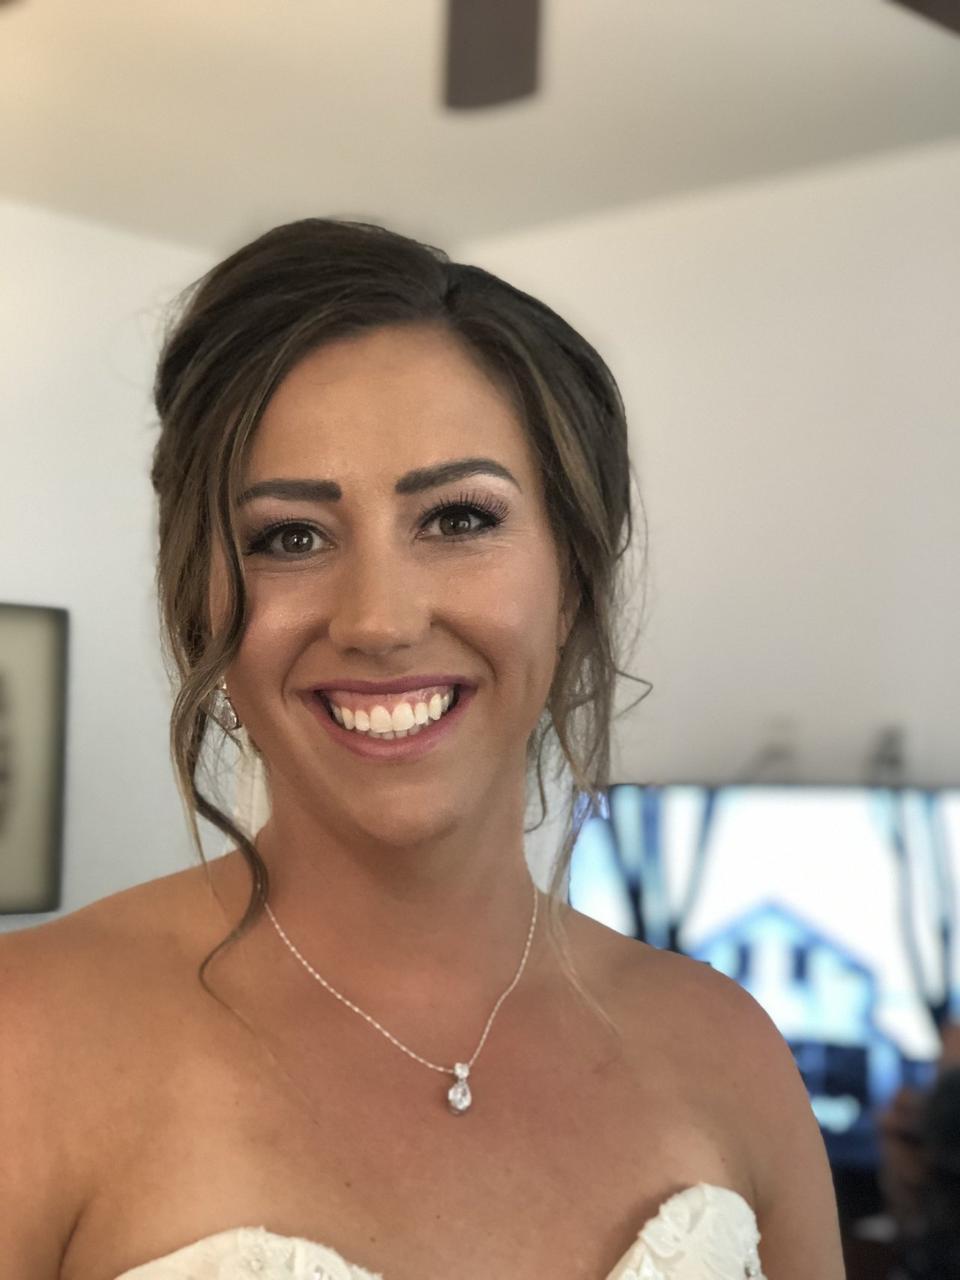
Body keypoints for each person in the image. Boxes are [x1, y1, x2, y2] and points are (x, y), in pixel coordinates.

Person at [0, 218, 845, 1279]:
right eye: (289, 536)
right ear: (199, 603)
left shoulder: (726, 1047)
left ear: (571, 578)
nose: (380, 621)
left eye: (457, 519)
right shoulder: (27, 1040)